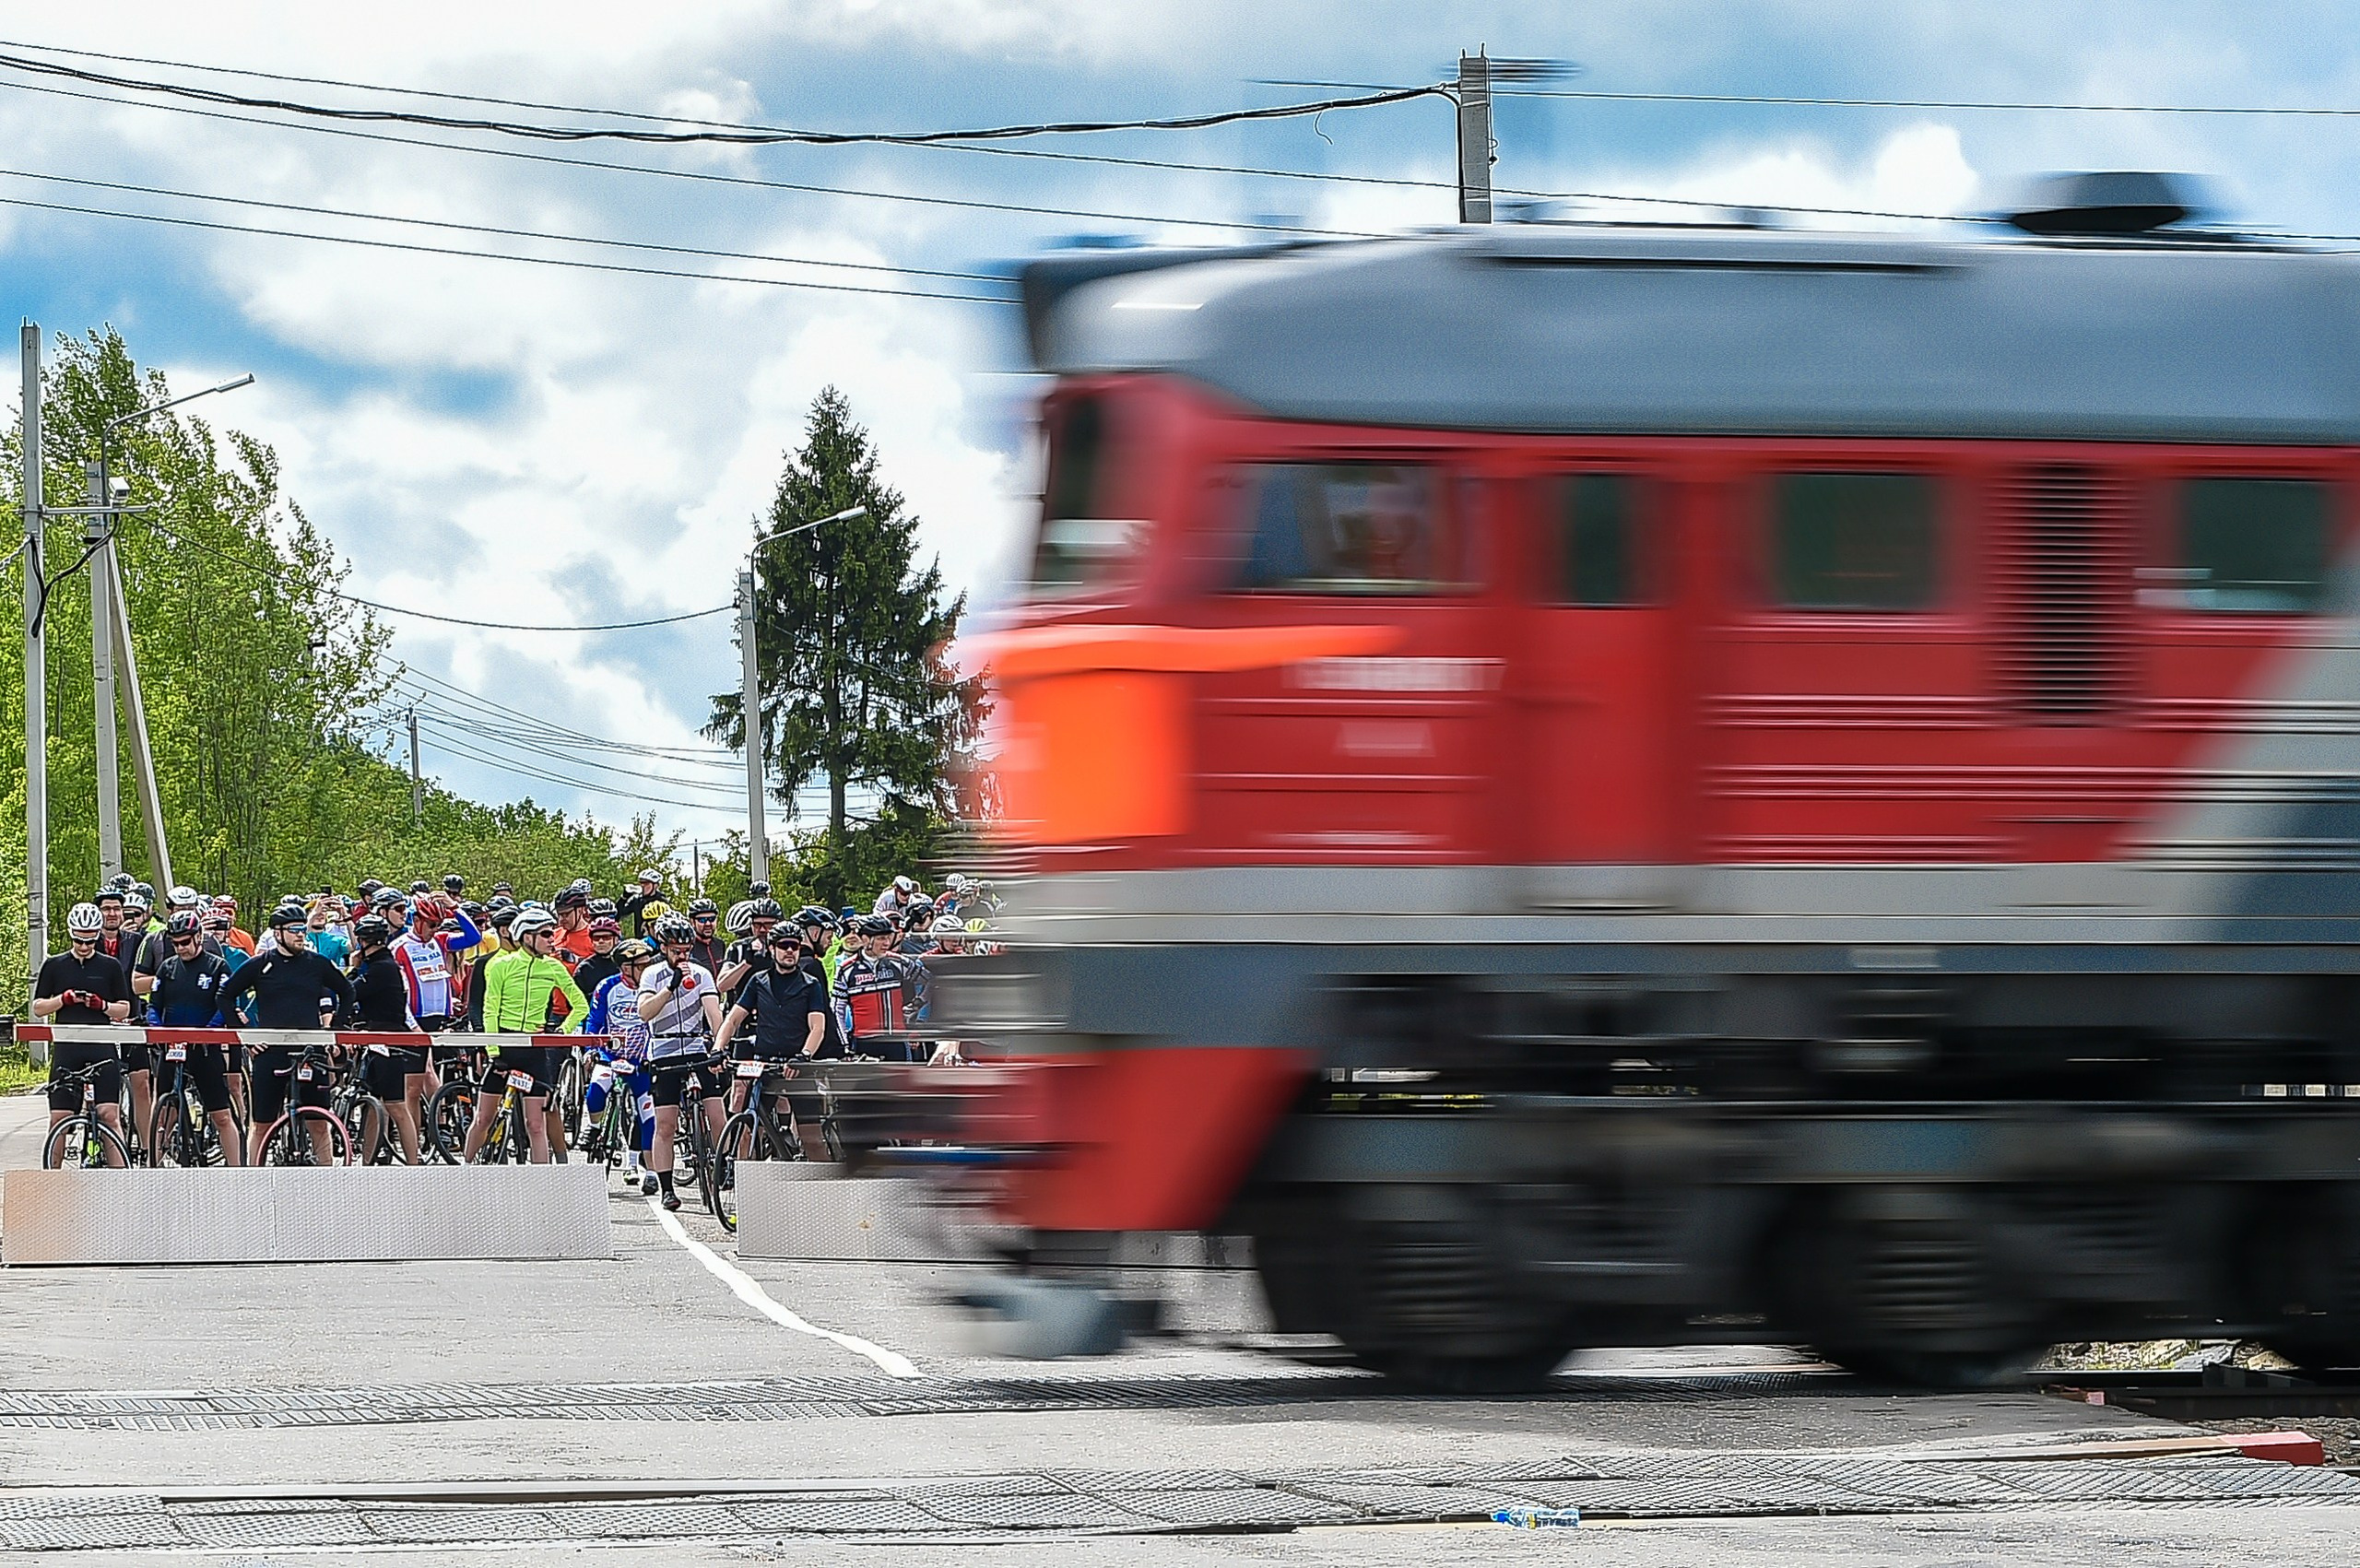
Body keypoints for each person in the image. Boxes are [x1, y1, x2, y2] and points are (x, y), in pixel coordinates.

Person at [218, 905, 357, 1164]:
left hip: (311, 1049)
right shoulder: (261, 964)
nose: (300, 935)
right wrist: (246, 1035)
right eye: (294, 930)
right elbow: (224, 995)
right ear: (278, 933)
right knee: (262, 1123)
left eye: (302, 929)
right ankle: (254, 1179)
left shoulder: (317, 964)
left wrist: (334, 1029)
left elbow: (347, 992)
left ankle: (328, 1181)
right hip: (271, 1051)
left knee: (319, 1122)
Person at [465, 906, 588, 1164]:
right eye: (545, 934)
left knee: (536, 1125)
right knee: (483, 1119)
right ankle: (466, 1170)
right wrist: (493, 1052)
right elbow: (490, 1011)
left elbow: (581, 1006)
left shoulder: (553, 967)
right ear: (526, 936)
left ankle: (541, 1185)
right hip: (505, 1047)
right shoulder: (501, 966)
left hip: (534, 1050)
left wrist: (561, 1032)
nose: (551, 939)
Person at [713, 923, 833, 1160]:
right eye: (784, 945)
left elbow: (817, 1027)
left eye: (795, 946)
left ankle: (826, 1190)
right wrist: (718, 1048)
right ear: (771, 949)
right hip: (764, 1067)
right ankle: (743, 1185)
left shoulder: (810, 984)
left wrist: (804, 1056)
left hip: (797, 1068)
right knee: (748, 1129)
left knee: (812, 1140)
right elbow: (733, 1019)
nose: (790, 951)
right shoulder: (758, 981)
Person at [32, 902, 134, 1164]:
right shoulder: (54, 965)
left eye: (90, 942)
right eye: (79, 941)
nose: (85, 947)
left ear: (97, 936)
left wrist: (102, 1006)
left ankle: (122, 1179)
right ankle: (52, 1179)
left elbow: (124, 1008)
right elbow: (39, 1007)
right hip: (68, 1047)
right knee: (59, 1118)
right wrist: (62, 1000)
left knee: (109, 1115)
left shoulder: (109, 966)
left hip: (101, 1045)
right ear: (71, 935)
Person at [141, 911, 243, 1165]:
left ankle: (240, 1171)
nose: (181, 948)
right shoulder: (167, 968)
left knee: (221, 1116)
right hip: (172, 1047)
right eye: (175, 943)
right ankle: (152, 1168)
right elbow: (154, 1005)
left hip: (204, 1049)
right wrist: (157, 1030)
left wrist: (208, 1032)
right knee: (163, 1114)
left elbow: (225, 1005)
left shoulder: (217, 965)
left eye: (185, 942)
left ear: (199, 937)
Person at [636, 914, 723, 1209]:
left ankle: (722, 1165)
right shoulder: (652, 974)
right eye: (676, 950)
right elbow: (645, 1012)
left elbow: (713, 1012)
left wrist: (718, 1044)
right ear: (663, 947)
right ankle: (667, 1187)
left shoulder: (701, 974)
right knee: (666, 1125)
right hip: (664, 1051)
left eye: (686, 950)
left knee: (717, 1115)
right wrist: (670, 987)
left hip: (697, 1047)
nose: (682, 955)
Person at [347, 913, 426, 1164]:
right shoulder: (386, 965)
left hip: (388, 1041)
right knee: (372, 1106)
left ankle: (413, 1161)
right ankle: (368, 1161)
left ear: (363, 941)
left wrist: (353, 967)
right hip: (377, 1040)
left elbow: (350, 993)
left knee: (396, 1105)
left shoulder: (382, 968)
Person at [585, 937, 658, 1193]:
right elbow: (593, 1022)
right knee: (595, 1090)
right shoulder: (606, 987)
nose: (647, 969)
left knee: (648, 1114)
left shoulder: (652, 987)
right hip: (611, 1057)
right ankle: (594, 1128)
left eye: (649, 964)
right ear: (626, 967)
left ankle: (650, 1171)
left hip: (641, 1061)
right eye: (641, 965)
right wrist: (591, 1050)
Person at [834, 914, 920, 1062]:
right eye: (881, 938)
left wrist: (917, 1007)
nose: (886, 943)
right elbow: (837, 1009)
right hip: (864, 1042)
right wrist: (845, 1045)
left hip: (896, 1040)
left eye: (888, 938)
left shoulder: (898, 962)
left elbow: (931, 982)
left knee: (900, 1085)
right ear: (865, 939)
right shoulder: (846, 969)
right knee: (869, 1085)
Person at [716, 899, 782, 1008]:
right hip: (742, 1017)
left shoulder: (787, 948)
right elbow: (722, 985)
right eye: (757, 925)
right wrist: (745, 964)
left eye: (768, 925)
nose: (762, 930)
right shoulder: (738, 948)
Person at [573, 915, 623, 1000]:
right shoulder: (584, 969)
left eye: (606, 937)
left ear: (616, 939)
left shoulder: (626, 964)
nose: (601, 941)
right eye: (596, 938)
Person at [618, 869, 671, 941]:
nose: (643, 886)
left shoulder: (662, 901)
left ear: (656, 885)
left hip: (659, 940)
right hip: (640, 941)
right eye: (641, 883)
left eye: (646, 883)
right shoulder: (637, 899)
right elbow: (618, 914)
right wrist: (624, 897)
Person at [550, 886, 596, 969]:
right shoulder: (553, 934)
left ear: (580, 910)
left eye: (566, 914)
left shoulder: (594, 937)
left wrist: (575, 959)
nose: (561, 920)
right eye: (559, 914)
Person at [682, 898, 727, 979]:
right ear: (692, 922)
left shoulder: (720, 944)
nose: (708, 924)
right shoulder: (687, 947)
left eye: (712, 919)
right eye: (702, 920)